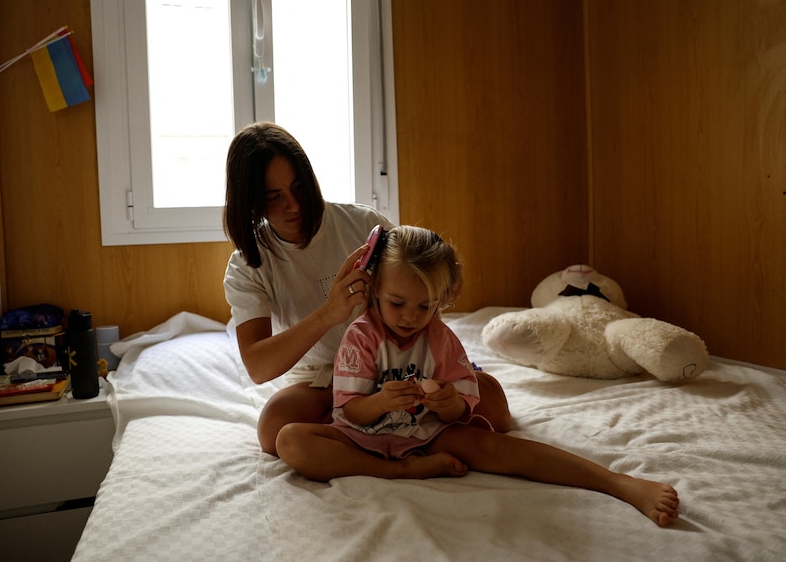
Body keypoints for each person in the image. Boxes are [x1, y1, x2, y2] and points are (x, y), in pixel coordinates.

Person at [276, 226, 680, 527]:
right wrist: (381, 402)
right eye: (397, 303)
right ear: (374, 290)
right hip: (362, 440)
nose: (411, 317)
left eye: (426, 306)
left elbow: (460, 409)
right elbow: (350, 412)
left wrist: (449, 403)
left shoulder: (441, 339)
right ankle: (399, 471)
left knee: (500, 447)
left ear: (442, 302)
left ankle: (618, 483)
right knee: (291, 440)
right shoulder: (360, 337)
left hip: (428, 431)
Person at [223, 122, 512, 457]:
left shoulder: (362, 225)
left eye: (300, 188)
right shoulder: (248, 264)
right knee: (274, 428)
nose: (294, 206)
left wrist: (443, 375)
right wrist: (329, 315)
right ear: (250, 203)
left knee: (496, 410)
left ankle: (369, 435)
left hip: (401, 362)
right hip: (324, 377)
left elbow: (422, 287)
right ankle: (392, 451)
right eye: (274, 198)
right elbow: (258, 367)